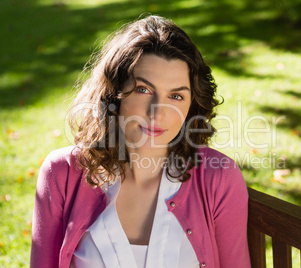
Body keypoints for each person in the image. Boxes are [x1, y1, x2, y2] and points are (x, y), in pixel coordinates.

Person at [30, 15, 251, 268]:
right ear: (113, 94)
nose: (158, 112)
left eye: (176, 96)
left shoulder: (218, 178)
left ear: (192, 106)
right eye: (143, 89)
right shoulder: (62, 173)